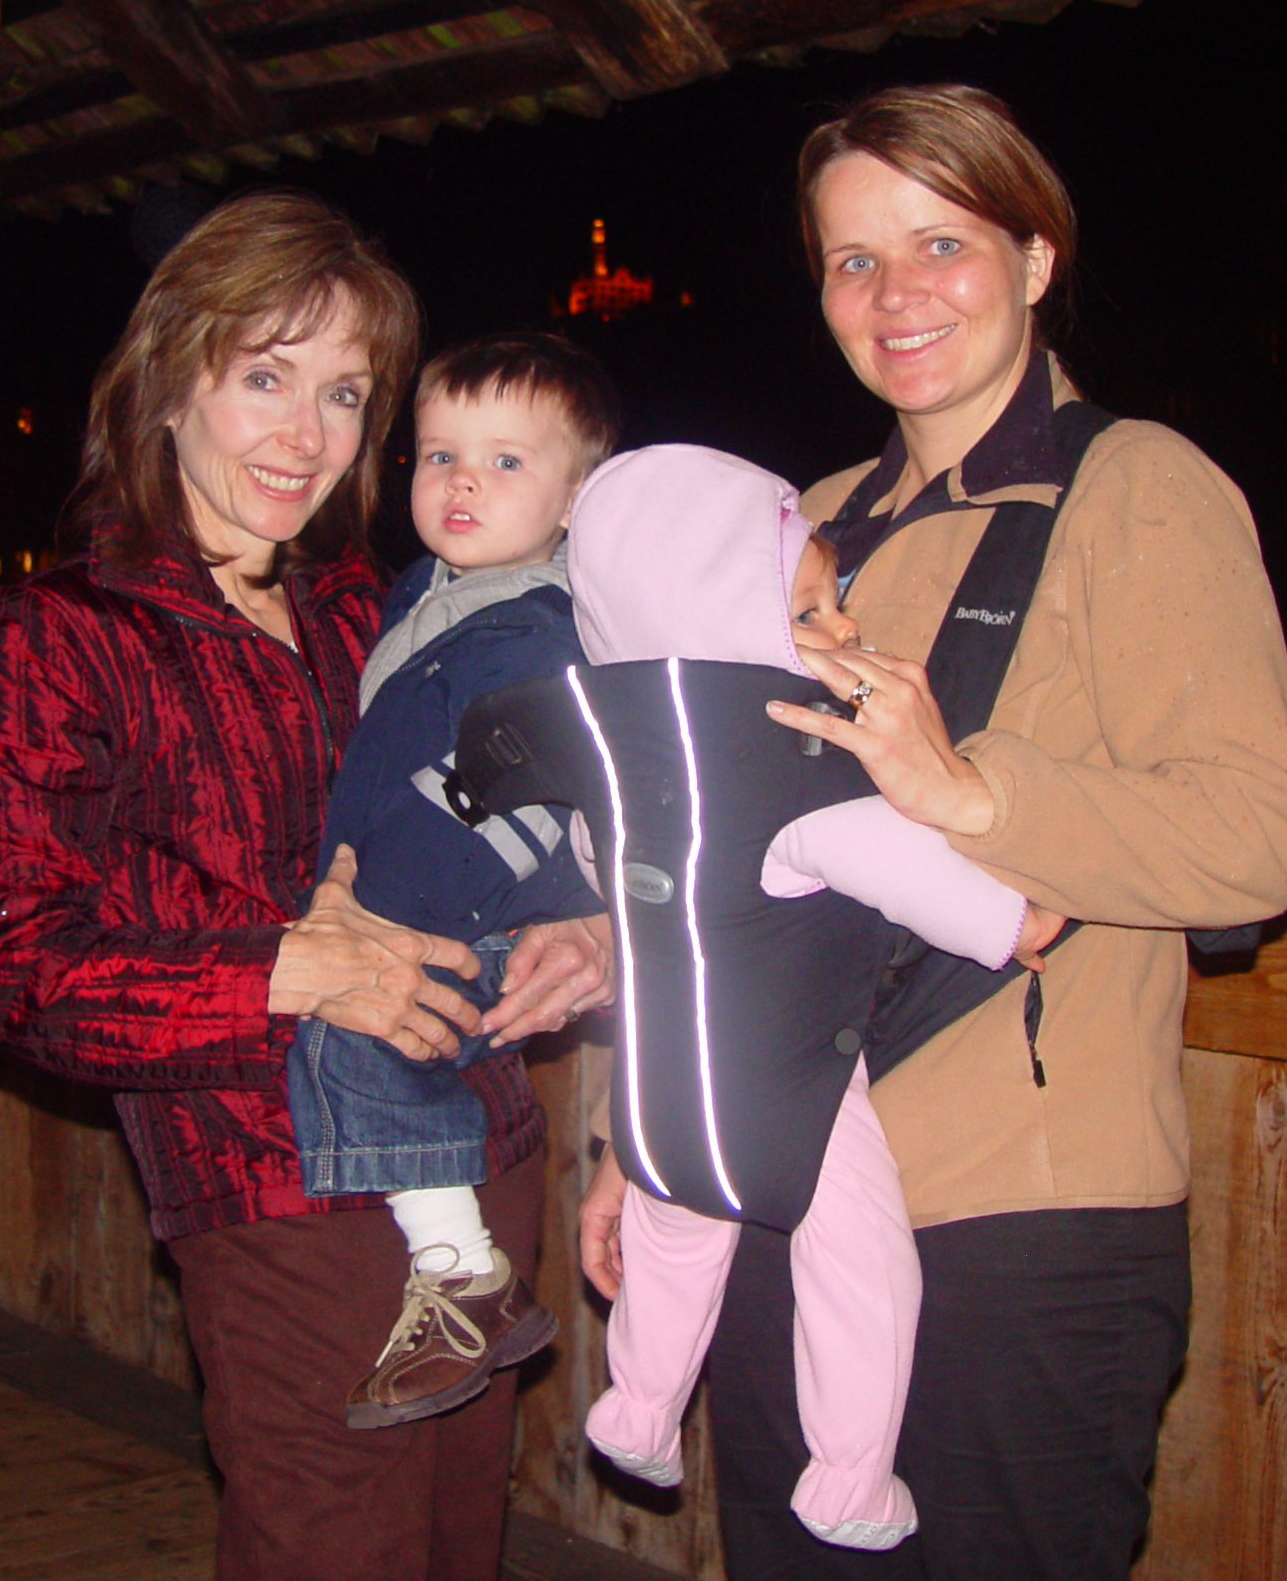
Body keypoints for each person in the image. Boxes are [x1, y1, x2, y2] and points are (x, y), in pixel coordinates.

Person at [578, 85, 1287, 1579]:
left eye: (942, 243)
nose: (895, 293)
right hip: (780, 1188)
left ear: (1038, 259)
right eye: (854, 261)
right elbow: (694, 851)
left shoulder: (1140, 492)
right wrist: (641, 1138)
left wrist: (971, 794)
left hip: (1026, 1216)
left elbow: (1259, 835)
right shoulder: (805, 522)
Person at [0, 189, 608, 1581]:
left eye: (347, 392)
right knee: (330, 1544)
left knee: (455, 1534)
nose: (307, 434)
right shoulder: (62, 638)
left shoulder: (384, 606)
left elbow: (550, 789)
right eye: (266, 377)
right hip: (274, 1185)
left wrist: (588, 932)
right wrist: (282, 968)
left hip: (488, 1155)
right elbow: (1, 955)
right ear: (172, 375)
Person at [452, 443, 1060, 1551]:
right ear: (713, 611)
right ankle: (850, 1478)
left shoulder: (622, 765)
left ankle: (637, 1406)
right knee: (863, 1263)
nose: (842, 635)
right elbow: (926, 878)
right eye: (813, 611)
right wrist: (1015, 915)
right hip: (788, 1080)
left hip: (660, 1078)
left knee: (680, 1236)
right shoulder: (796, 774)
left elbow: (600, 865)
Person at [285, 331, 618, 1431]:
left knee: (357, 1045)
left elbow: (513, 798)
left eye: (508, 461)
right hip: (414, 903)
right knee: (363, 1051)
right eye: (439, 456)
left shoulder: (539, 629)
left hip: (452, 914)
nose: (463, 480)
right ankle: (459, 1271)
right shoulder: (428, 593)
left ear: (578, 498)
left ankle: (459, 1270)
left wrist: (386, 912)